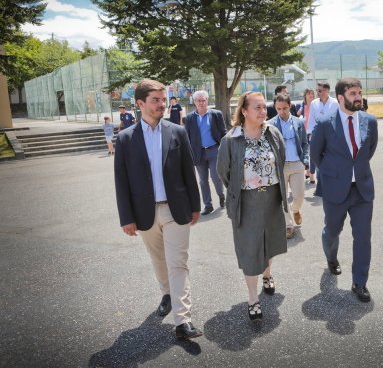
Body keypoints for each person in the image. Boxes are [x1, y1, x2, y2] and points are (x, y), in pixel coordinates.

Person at [114, 79, 203, 340]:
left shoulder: (177, 132)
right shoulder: (126, 138)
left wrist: (195, 206)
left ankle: (183, 320)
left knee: (178, 263)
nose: (162, 104)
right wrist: (126, 218)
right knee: (159, 260)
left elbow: (189, 172)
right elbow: (121, 181)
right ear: (140, 103)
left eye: (163, 99)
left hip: (176, 210)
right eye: (155, 100)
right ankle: (167, 293)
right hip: (145, 213)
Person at [217, 91, 288, 321]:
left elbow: (281, 159)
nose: (263, 111)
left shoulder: (272, 133)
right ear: (244, 111)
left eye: (264, 107)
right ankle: (252, 298)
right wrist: (243, 187)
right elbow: (224, 172)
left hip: (271, 198)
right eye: (257, 107)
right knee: (250, 248)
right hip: (246, 201)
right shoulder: (231, 140)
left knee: (270, 241)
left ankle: (268, 274)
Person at [310, 78, 378, 302]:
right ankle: (331, 257)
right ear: (341, 97)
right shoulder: (324, 123)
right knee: (332, 231)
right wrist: (334, 173)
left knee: (363, 237)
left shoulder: (370, 121)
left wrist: (355, 170)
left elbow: (369, 151)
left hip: (362, 190)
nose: (358, 97)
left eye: (360, 93)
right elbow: (316, 155)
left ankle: (360, 282)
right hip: (335, 189)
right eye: (353, 94)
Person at [269, 93, 310, 239]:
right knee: (282, 198)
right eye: (278, 109)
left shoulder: (298, 122)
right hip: (280, 166)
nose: (282, 111)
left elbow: (305, 143)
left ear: (290, 105)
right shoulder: (270, 125)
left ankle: (296, 209)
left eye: (285, 108)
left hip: (297, 164)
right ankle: (288, 225)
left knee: (299, 195)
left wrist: (305, 160)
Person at [185, 90, 227, 215]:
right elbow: (186, 137)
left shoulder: (216, 114)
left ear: (207, 101)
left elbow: (223, 132)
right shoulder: (189, 118)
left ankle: (221, 196)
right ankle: (208, 205)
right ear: (194, 102)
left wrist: (225, 148)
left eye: (203, 100)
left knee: (216, 176)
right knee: (203, 181)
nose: (201, 103)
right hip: (198, 153)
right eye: (199, 101)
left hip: (214, 150)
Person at [297, 88, 316, 183]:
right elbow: (298, 114)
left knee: (313, 154)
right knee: (305, 153)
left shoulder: (316, 104)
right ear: (305, 95)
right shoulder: (302, 105)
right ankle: (308, 171)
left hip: (313, 132)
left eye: (312, 93)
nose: (311, 95)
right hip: (304, 132)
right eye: (309, 93)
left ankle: (312, 174)